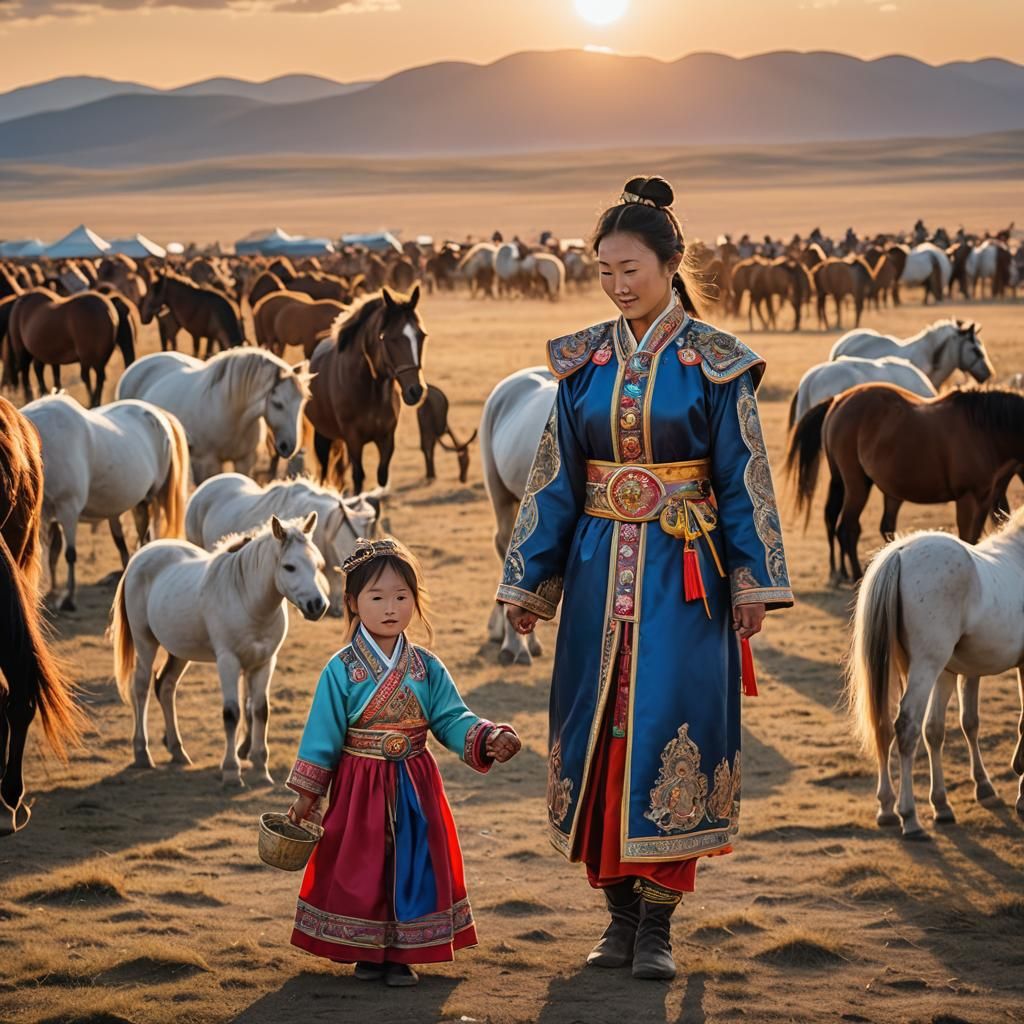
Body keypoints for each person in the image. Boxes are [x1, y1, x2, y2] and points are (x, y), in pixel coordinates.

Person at [496, 175, 793, 982]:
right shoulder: (582, 363)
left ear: (669, 265)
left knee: (670, 727)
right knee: (598, 729)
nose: (617, 285)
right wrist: (529, 583)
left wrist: (751, 581)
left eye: (629, 269)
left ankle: (658, 925)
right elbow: (555, 479)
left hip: (686, 576)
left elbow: (744, 478)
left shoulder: (715, 364)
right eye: (604, 271)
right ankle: (618, 917)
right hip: (596, 575)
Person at [286, 536, 521, 987]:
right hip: (359, 785)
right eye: (376, 598)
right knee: (363, 865)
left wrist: (488, 736)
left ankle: (402, 955)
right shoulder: (340, 669)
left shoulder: (426, 667)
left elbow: (451, 717)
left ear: (415, 600)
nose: (390, 608)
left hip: (415, 784)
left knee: (414, 864)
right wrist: (307, 795)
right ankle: (367, 953)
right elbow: (322, 737)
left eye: (401, 597)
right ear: (352, 603)